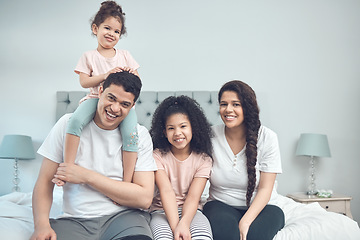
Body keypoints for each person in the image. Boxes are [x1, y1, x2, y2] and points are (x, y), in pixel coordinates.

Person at [31, 71, 157, 240]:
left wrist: (86, 176)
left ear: (132, 106)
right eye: (111, 98)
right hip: (74, 221)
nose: (115, 108)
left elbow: (144, 198)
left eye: (125, 104)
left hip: (124, 219)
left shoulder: (139, 135)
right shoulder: (66, 125)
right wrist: (41, 225)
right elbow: (45, 181)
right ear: (100, 91)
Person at [53, 1, 139, 187]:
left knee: (131, 134)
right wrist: (106, 75)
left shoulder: (125, 55)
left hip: (120, 99)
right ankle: (67, 167)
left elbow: (137, 80)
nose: (111, 34)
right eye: (107, 28)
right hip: (95, 98)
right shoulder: (89, 56)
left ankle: (127, 181)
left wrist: (127, 74)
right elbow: (84, 81)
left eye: (116, 32)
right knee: (74, 121)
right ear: (95, 28)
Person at [202, 80, 285, 240]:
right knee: (226, 234)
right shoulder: (210, 136)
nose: (228, 110)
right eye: (223, 104)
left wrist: (246, 221)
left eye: (236, 104)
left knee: (254, 235)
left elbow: (265, 189)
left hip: (265, 208)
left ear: (247, 107)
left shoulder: (267, 138)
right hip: (220, 205)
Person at [149, 96, 214, 240]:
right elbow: (166, 192)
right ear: (165, 133)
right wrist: (176, 228)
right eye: (171, 128)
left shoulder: (204, 159)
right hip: (161, 211)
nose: (177, 133)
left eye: (183, 126)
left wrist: (183, 224)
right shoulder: (157, 156)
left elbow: (193, 197)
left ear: (193, 127)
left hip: (192, 212)